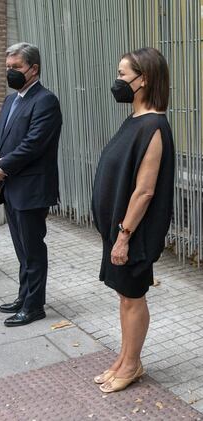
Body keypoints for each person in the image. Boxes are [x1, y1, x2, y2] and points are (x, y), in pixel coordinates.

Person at [91, 48, 174, 393]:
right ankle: (126, 358)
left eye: (124, 75)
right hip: (118, 229)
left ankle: (133, 364)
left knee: (133, 296)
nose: (118, 82)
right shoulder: (134, 121)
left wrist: (124, 235)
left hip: (132, 232)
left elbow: (144, 191)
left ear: (145, 80)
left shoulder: (154, 126)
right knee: (124, 295)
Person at [0, 42, 62, 327]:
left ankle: (35, 306)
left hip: (31, 189)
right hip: (10, 186)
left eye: (16, 67)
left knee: (32, 249)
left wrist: (2, 166)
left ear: (34, 69)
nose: (10, 72)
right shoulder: (10, 100)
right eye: (8, 67)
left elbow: (33, 145)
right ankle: (24, 296)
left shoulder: (45, 101)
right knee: (21, 249)